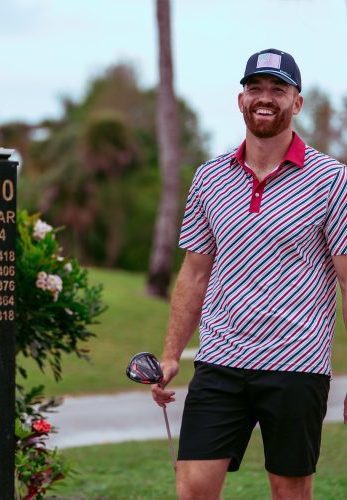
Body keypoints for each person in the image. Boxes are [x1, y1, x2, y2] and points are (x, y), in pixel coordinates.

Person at [152, 48, 347, 500]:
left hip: (297, 365)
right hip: (220, 362)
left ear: (296, 103)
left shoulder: (333, 180)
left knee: (289, 491)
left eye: (278, 89)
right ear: (241, 100)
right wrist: (170, 355)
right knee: (192, 489)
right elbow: (194, 273)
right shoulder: (209, 177)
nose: (265, 98)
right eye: (255, 88)